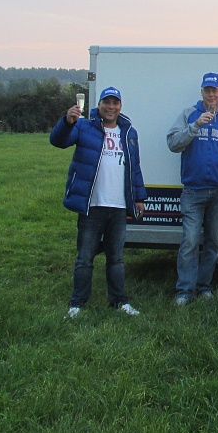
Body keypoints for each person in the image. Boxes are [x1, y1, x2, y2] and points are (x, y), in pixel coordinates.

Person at [49, 86, 147, 319]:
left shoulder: (128, 132)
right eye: (106, 102)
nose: (111, 107)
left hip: (119, 206)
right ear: (99, 105)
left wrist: (139, 197)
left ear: (120, 106)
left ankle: (120, 301)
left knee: (116, 258)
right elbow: (58, 141)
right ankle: (77, 304)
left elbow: (135, 168)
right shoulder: (84, 126)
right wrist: (67, 122)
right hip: (92, 205)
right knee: (85, 258)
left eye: (115, 103)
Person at [166, 73, 218, 306]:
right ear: (201, 92)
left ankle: (204, 286)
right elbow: (173, 143)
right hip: (193, 191)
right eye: (207, 90)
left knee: (214, 242)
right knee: (189, 241)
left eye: (214, 90)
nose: (211, 94)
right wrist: (196, 125)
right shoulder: (189, 114)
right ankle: (184, 291)